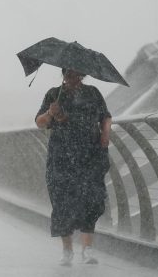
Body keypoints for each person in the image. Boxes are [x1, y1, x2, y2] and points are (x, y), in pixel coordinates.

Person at [35, 68, 112, 266]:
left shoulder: (93, 93)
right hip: (61, 156)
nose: (73, 78)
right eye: (69, 74)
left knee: (91, 198)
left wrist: (105, 136)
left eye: (77, 74)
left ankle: (87, 249)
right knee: (62, 200)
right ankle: (67, 250)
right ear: (63, 75)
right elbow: (39, 122)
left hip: (89, 154)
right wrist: (51, 113)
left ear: (83, 75)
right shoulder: (54, 94)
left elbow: (106, 117)